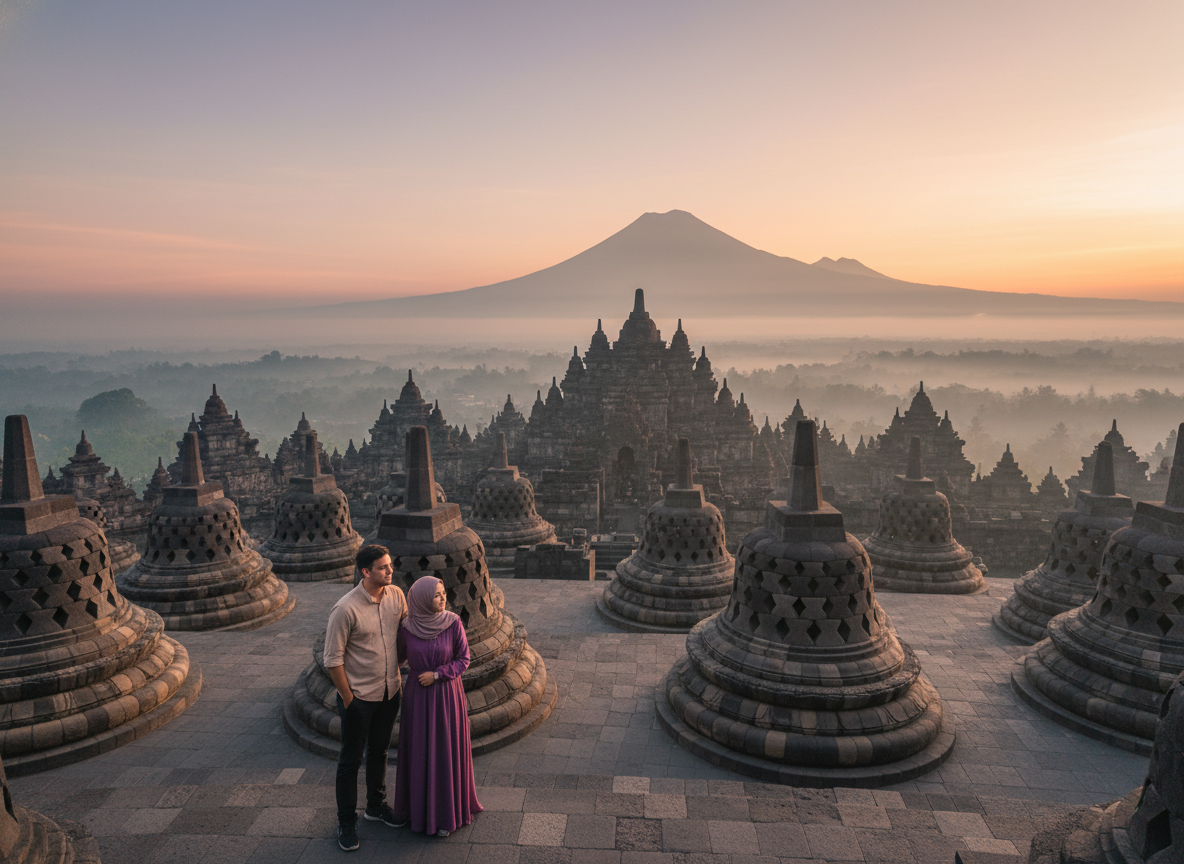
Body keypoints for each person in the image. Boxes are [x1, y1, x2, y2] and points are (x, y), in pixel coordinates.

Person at [324, 545, 408, 852]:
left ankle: (375, 806)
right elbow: (332, 660)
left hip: (390, 691)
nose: (390, 570)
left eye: (390, 565)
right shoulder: (345, 609)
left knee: (379, 751)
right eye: (383, 567)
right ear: (366, 572)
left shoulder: (396, 596)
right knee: (350, 762)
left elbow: (407, 630)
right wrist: (349, 700)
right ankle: (346, 822)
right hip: (359, 698)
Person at [392, 577, 483, 836]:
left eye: (443, 593)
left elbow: (464, 659)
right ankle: (418, 812)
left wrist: (438, 674)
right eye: (436, 595)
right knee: (420, 751)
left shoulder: (453, 623)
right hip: (418, 698)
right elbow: (397, 657)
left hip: (446, 694)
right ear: (422, 599)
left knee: (444, 751)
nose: (443, 598)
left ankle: (445, 814)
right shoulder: (407, 627)